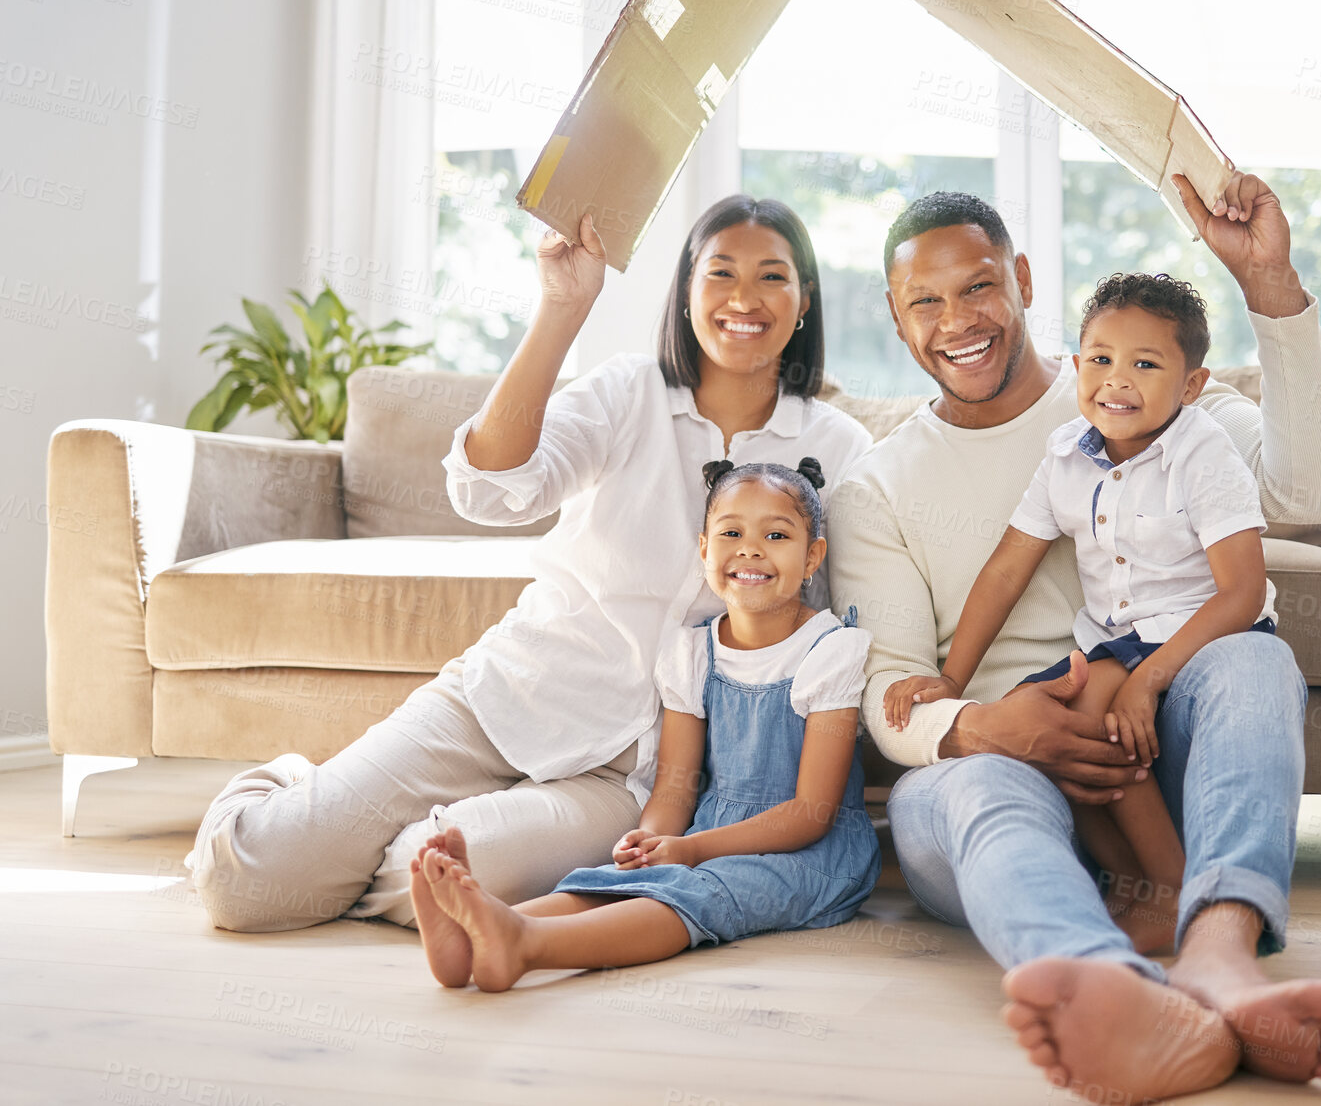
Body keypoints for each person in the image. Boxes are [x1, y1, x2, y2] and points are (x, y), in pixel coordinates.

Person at [187, 195, 872, 933]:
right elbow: (487, 490)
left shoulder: (838, 447)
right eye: (720, 273)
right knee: (248, 887)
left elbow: (843, 620)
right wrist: (561, 304)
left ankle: (337, 843)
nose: (743, 298)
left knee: (435, 876)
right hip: (506, 699)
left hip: (629, 777)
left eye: (772, 277)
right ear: (684, 294)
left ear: (804, 300)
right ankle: (294, 792)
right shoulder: (626, 391)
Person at [828, 175, 1321, 1102]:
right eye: (926, 300)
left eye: (979, 286)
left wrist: (1269, 283)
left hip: (1150, 742)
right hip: (993, 772)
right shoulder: (875, 487)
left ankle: (1219, 958)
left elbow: (1312, 497)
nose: (956, 319)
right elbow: (892, 693)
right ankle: (1118, 997)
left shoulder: (1147, 396)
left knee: (1252, 656)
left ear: (1025, 279)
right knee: (974, 786)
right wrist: (992, 727)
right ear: (895, 314)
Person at [883, 271, 1278, 956]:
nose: (1115, 380)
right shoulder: (1067, 454)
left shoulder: (1202, 450)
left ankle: (1171, 884)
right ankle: (1127, 880)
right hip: (1116, 642)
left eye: (1144, 364)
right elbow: (1006, 569)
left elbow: (1241, 593)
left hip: (1204, 632)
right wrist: (950, 680)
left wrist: (1147, 679)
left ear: (1190, 385)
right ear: (1075, 367)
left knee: (1094, 708)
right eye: (1099, 360)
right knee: (1039, 711)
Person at [409, 459, 880, 991]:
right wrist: (652, 841)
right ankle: (466, 940)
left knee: (694, 893)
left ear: (812, 555)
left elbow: (811, 814)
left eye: (776, 534)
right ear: (704, 548)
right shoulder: (693, 651)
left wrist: (692, 851)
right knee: (621, 880)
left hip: (811, 854)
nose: (750, 548)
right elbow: (677, 786)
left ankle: (525, 944)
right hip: (707, 833)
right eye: (732, 532)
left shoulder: (829, 650)